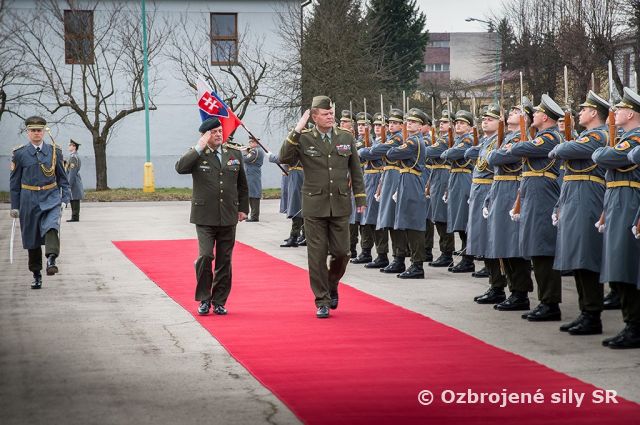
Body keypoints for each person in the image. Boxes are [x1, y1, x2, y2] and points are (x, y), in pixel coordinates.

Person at [279, 96, 366, 318]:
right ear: (314, 116)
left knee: (342, 253)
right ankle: (322, 300)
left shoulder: (345, 136)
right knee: (316, 256)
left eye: (331, 113)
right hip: (314, 206)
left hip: (340, 204)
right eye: (325, 114)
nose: (330, 117)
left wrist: (360, 198)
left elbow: (355, 170)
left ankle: (331, 282)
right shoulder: (304, 138)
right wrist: (297, 129)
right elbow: (284, 157)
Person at [549, 91, 609, 335]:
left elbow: (565, 150)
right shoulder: (586, 136)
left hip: (588, 196)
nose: (579, 113)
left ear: (594, 113)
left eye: (584, 109)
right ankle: (585, 311)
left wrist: (561, 147)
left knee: (586, 256)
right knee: (576, 256)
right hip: (574, 195)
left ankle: (593, 315)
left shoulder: (598, 135)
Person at [175, 117, 249, 316]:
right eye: (213, 132)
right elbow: (180, 168)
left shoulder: (233, 153)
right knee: (206, 256)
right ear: (205, 135)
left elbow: (242, 184)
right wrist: (198, 147)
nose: (218, 134)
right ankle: (204, 298)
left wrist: (243, 208)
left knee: (224, 260)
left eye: (219, 131)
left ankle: (219, 301)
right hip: (204, 215)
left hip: (228, 214)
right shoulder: (197, 154)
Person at [592, 87, 640, 349]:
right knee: (618, 262)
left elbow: (607, 156)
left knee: (625, 262)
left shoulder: (635, 138)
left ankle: (635, 326)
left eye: (620, 108)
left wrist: (603, 152)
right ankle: (630, 323)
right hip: (616, 198)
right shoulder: (624, 138)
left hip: (628, 199)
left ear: (631, 114)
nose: (615, 112)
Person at [508, 94, 563, 322]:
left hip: (543, 195)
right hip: (534, 193)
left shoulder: (550, 137)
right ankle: (545, 301)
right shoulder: (541, 136)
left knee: (543, 249)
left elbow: (519, 149)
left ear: (546, 117)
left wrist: (519, 141)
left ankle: (550, 303)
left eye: (538, 112)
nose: (533, 115)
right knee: (536, 248)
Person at [9, 116, 71, 289]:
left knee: (51, 226)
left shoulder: (54, 152)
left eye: (39, 130)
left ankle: (51, 259)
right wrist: (15, 207)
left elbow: (63, 178)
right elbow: (14, 183)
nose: (36, 133)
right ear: (28, 132)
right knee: (32, 238)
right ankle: (36, 274)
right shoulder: (20, 154)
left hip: (50, 197)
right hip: (28, 199)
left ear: (44, 132)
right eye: (33, 130)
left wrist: (65, 198)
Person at [485, 100, 535, 311]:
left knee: (513, 243)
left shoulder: (521, 138)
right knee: (503, 242)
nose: (511, 113)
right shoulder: (508, 137)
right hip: (501, 189)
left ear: (526, 119)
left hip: (513, 189)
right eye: (512, 110)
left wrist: (496, 154)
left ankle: (520, 292)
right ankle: (512, 289)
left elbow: (495, 158)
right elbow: (493, 160)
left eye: (517, 111)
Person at [465, 104, 507, 300]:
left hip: (489, 189)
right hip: (479, 189)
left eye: (490, 119)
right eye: (484, 119)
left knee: (491, 240)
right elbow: (469, 154)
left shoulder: (501, 140)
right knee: (481, 238)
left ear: (501, 122)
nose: (485, 121)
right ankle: (493, 284)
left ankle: (498, 286)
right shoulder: (486, 141)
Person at [386, 108, 428, 278]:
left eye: (414, 122)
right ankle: (408, 262)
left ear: (420, 126)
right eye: (408, 121)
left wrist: (395, 149)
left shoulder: (413, 142)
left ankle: (417, 265)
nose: (409, 123)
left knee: (413, 223)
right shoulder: (411, 140)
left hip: (412, 180)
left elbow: (392, 153)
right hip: (406, 178)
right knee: (406, 221)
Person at [441, 110, 475, 273]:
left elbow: (451, 154)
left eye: (462, 123)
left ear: (469, 127)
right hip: (455, 178)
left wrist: (447, 153)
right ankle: (465, 256)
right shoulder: (458, 140)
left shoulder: (467, 140)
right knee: (458, 220)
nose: (458, 125)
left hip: (464, 178)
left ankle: (468, 259)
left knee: (464, 219)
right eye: (457, 123)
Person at [425, 110, 455, 268]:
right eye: (441, 122)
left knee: (442, 216)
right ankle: (445, 251)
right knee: (437, 216)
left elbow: (429, 151)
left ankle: (447, 252)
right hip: (437, 175)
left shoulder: (445, 140)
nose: (441, 124)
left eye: (445, 122)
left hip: (443, 176)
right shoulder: (440, 139)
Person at [242, 137, 264, 222]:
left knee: (254, 195)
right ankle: (253, 215)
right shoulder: (255, 150)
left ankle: (254, 216)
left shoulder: (255, 151)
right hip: (252, 174)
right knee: (251, 194)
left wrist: (244, 152)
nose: (249, 144)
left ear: (255, 142)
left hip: (252, 175)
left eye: (250, 142)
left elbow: (246, 159)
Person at [65, 139, 84, 222]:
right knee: (73, 197)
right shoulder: (72, 156)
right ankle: (74, 216)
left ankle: (75, 217)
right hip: (73, 179)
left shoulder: (73, 157)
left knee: (74, 197)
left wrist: (69, 183)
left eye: (70, 145)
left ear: (74, 147)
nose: (69, 146)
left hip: (73, 180)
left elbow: (72, 171)